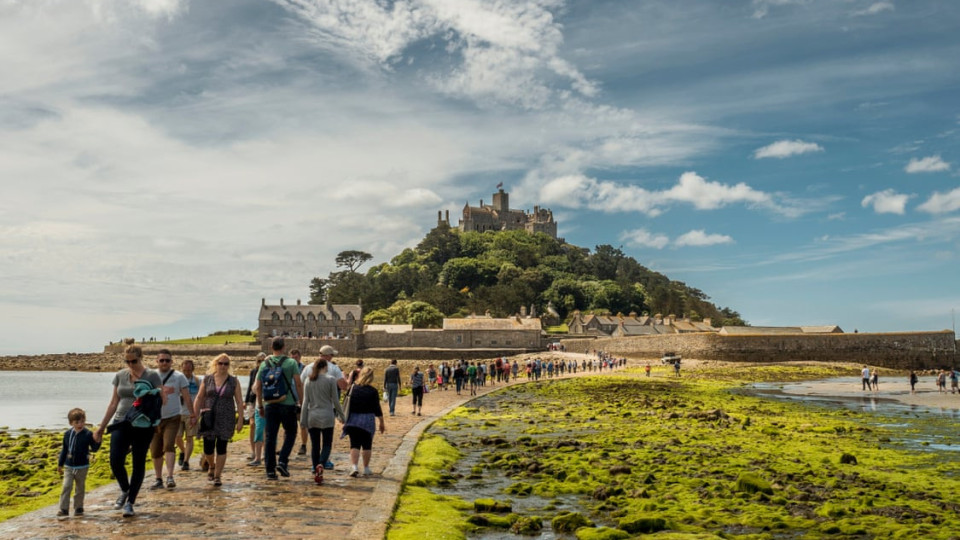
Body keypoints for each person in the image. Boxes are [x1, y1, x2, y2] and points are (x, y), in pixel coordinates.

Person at [93, 343, 165, 518]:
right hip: (121, 421)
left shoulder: (152, 375)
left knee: (138, 462)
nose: (130, 364)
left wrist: (152, 395)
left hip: (143, 424)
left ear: (140, 358)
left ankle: (130, 503)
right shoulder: (120, 376)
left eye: (133, 361)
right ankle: (125, 489)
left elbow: (162, 400)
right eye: (127, 361)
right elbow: (113, 403)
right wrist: (101, 427)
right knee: (115, 460)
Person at [255, 338, 304, 480]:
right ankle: (282, 460)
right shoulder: (291, 363)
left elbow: (258, 386)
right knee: (291, 433)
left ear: (271, 347)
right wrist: (301, 401)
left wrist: (260, 405)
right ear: (284, 347)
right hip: (287, 404)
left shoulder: (264, 364)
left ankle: (270, 470)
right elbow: (298, 383)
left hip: (270, 405)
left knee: (270, 437)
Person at [194, 354, 244, 487]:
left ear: (229, 366)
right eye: (221, 363)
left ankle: (217, 476)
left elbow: (239, 401)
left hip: (226, 418)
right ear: (215, 364)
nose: (223, 366)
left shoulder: (233, 381)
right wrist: (195, 414)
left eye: (226, 364)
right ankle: (211, 465)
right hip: (209, 417)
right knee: (208, 448)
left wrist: (240, 420)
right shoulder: (207, 379)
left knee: (222, 447)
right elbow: (199, 398)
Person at [149, 349, 195, 490]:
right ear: (157, 361)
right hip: (155, 418)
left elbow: (187, 397)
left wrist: (192, 414)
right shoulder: (151, 376)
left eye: (167, 360)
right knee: (155, 450)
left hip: (173, 416)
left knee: (169, 445)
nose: (164, 363)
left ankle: (169, 476)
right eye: (161, 360)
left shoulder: (179, 377)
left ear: (171, 361)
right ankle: (158, 478)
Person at [300, 358, 343, 485]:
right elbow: (336, 401)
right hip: (327, 416)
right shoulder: (330, 380)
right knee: (327, 444)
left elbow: (305, 402)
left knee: (315, 445)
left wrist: (303, 420)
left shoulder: (308, 380)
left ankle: (315, 467)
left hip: (312, 416)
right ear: (325, 367)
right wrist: (342, 416)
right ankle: (321, 464)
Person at [341, 367, 385, 477]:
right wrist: (381, 422)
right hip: (367, 420)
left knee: (354, 444)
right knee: (367, 445)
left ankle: (354, 467)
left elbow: (347, 404)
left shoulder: (352, 388)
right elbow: (377, 408)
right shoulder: (373, 391)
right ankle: (366, 468)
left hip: (354, 419)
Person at [57, 408, 100, 517]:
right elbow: (64, 450)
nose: (80, 424)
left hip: (82, 466)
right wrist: (60, 464)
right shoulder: (67, 434)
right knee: (66, 486)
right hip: (68, 466)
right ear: (71, 423)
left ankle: (78, 507)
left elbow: (94, 448)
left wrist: (99, 440)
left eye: (82, 421)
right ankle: (63, 509)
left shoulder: (88, 434)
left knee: (80, 488)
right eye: (77, 422)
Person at [176, 359, 202, 471]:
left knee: (189, 437)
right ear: (181, 369)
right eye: (185, 369)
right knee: (177, 437)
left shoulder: (198, 381)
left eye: (189, 369)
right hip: (177, 412)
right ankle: (183, 450)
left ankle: (186, 461)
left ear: (192, 369)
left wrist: (197, 413)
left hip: (192, 413)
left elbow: (201, 397)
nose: (187, 372)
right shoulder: (176, 380)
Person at [245, 353, 266, 465]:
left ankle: (262, 452)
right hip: (253, 401)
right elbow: (250, 386)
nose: (261, 363)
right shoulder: (253, 372)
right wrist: (246, 401)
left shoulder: (267, 371)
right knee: (252, 425)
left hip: (262, 402)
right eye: (259, 361)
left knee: (262, 428)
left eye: (263, 360)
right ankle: (253, 452)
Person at [290, 349, 309, 457]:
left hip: (302, 400)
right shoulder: (287, 369)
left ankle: (303, 445)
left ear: (300, 357)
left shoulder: (304, 369)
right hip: (289, 401)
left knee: (302, 424)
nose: (294, 359)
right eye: (292, 358)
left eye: (296, 357)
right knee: (288, 426)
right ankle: (287, 446)